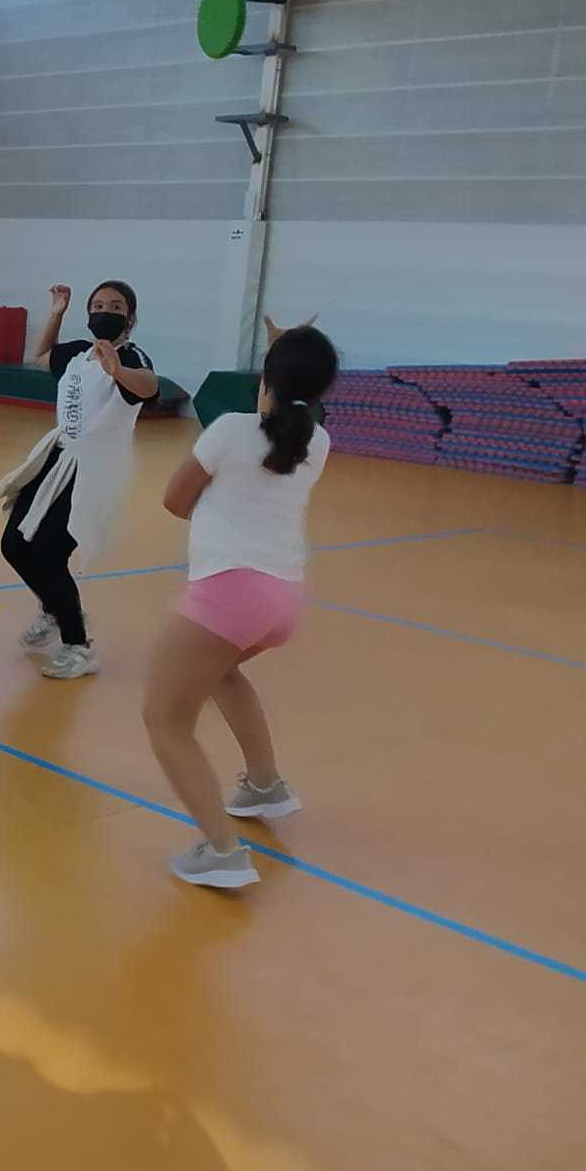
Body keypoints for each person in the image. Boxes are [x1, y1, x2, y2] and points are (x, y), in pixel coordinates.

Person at [142, 325, 340, 889]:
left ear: (265, 380)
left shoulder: (230, 430)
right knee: (223, 673)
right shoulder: (318, 441)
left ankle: (223, 852)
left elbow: (174, 500)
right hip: (284, 597)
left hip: (229, 592)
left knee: (165, 720)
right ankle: (264, 785)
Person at [0, 281, 158, 680]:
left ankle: (78, 646)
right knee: (14, 544)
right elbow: (41, 357)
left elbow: (149, 386)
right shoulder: (79, 353)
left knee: (50, 554)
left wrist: (117, 370)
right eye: (98, 305)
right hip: (58, 458)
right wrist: (56, 313)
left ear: (130, 317)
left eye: (115, 306)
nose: (105, 311)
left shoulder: (131, 356)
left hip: (93, 469)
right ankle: (56, 609)